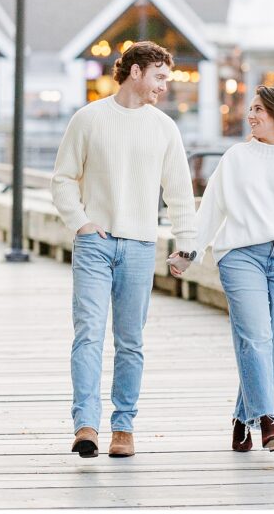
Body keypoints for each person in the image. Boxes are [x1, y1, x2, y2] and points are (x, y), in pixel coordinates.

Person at [51, 40, 197, 459]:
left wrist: (186, 245)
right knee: (89, 334)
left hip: (140, 246)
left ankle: (124, 428)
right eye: (160, 77)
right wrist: (80, 223)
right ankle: (85, 426)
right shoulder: (89, 119)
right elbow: (63, 178)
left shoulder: (164, 128)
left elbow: (180, 194)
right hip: (94, 244)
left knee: (130, 341)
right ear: (136, 72)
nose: (164, 87)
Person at [168, 85, 274, 453]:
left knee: (273, 348)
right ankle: (269, 419)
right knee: (255, 337)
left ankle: (244, 417)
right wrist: (188, 253)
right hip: (242, 257)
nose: (251, 116)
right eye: (251, 109)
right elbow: (211, 209)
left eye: (258, 109)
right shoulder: (237, 156)